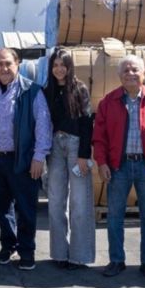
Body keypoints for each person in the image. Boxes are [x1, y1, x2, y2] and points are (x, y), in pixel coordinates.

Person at [93, 55, 145, 281]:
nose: (130, 73)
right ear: (119, 75)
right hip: (118, 166)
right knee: (115, 217)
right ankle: (116, 260)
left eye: (135, 70)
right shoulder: (108, 102)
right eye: (126, 70)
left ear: (144, 74)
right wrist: (102, 163)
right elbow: (99, 137)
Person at [0, 48, 52, 271]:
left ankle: (27, 250)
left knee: (26, 207)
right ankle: (8, 244)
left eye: (8, 63)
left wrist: (39, 157)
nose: (4, 68)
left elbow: (43, 126)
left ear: (18, 64)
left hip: (22, 160)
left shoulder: (31, 91)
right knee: (1, 208)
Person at [42, 48, 95, 270]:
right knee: (55, 201)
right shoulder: (46, 91)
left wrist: (84, 155)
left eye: (63, 65)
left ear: (69, 66)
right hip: (55, 146)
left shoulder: (80, 89)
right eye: (55, 65)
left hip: (75, 146)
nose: (59, 69)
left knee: (80, 202)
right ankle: (59, 254)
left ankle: (79, 256)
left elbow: (86, 123)